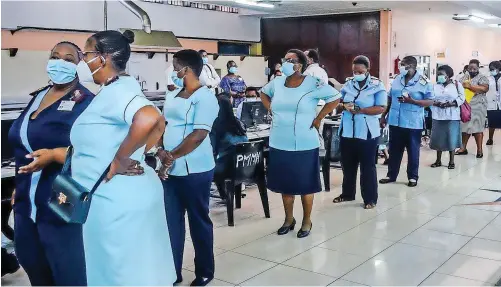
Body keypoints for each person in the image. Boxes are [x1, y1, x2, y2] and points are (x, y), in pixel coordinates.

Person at [74, 30, 176, 285]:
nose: (81, 61)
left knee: (122, 275)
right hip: (116, 196)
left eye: (85, 54)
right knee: (131, 271)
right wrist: (140, 152)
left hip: (117, 199)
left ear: (102, 58)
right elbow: (159, 124)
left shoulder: (119, 90)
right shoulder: (111, 90)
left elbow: (150, 117)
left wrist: (121, 158)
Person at [7, 41, 94, 286]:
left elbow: (96, 149)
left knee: (68, 273)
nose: (60, 62)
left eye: (68, 59)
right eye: (55, 56)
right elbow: (24, 141)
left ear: (79, 65)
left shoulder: (86, 102)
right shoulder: (38, 96)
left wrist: (56, 154)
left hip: (60, 202)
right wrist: (20, 185)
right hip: (26, 203)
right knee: (34, 267)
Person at [260, 49, 341, 238]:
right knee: (285, 184)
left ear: (300, 65)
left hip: (304, 142)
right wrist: (270, 108)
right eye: (285, 59)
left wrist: (320, 117)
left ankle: (306, 220)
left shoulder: (313, 83)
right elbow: (263, 93)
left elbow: (335, 98)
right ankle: (289, 219)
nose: (286, 63)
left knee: (306, 185)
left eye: (291, 60)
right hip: (279, 141)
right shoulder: (278, 83)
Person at [157, 49, 219, 286]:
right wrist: (161, 150)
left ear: (187, 70)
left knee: (198, 220)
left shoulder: (205, 97)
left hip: (196, 169)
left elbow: (199, 134)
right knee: (172, 221)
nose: (172, 72)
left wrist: (171, 155)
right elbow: (163, 124)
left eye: (175, 67)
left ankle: (205, 270)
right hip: (170, 169)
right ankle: (173, 271)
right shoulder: (173, 94)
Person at [332, 56, 387, 209]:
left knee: (367, 167)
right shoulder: (349, 83)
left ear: (367, 70)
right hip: (348, 131)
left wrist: (360, 110)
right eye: (354, 71)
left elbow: (381, 107)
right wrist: (344, 105)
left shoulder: (377, 85)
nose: (357, 74)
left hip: (367, 132)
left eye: (360, 71)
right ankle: (347, 194)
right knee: (348, 165)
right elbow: (338, 101)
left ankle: (370, 199)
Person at [379, 56, 434, 187]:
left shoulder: (424, 82)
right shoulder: (398, 79)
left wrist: (413, 101)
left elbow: (430, 101)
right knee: (394, 150)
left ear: (411, 66)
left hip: (412, 122)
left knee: (413, 150)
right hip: (395, 120)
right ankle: (391, 175)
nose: (400, 67)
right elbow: (389, 98)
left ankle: (413, 177)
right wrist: (383, 116)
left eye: (403, 65)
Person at [212, 94, 248, 199]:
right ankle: (226, 195)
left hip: (229, 168)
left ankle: (224, 195)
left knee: (207, 167)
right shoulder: (238, 122)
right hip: (245, 166)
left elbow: (212, 150)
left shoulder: (216, 125)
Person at [429, 65, 465, 169]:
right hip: (438, 116)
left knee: (451, 138)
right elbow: (430, 98)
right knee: (438, 138)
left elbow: (462, 98)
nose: (439, 76)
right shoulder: (435, 86)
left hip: (452, 116)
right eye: (438, 74)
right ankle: (438, 160)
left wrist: (452, 104)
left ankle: (451, 161)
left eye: (441, 74)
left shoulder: (457, 85)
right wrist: (436, 104)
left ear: (448, 75)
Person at [455, 59, 490, 158]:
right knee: (465, 127)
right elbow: (459, 88)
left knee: (478, 128)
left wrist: (470, 87)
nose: (472, 70)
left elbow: (485, 88)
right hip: (466, 106)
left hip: (478, 105)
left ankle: (479, 150)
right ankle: (463, 148)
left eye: (474, 68)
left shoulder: (482, 77)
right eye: (470, 68)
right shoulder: (464, 77)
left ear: (478, 68)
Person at [486, 61, 501, 145]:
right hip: (491, 103)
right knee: (492, 123)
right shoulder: (488, 78)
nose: (491, 71)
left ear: (498, 69)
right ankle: (490, 138)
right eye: (490, 69)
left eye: (493, 69)